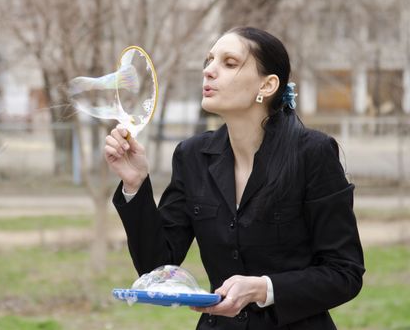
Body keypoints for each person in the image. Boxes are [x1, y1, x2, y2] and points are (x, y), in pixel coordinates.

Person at [104, 26, 365, 330]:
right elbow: (156, 266)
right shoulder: (192, 156)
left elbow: (344, 273)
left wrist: (263, 288)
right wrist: (135, 185)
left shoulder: (313, 153)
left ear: (267, 86)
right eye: (209, 60)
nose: (208, 71)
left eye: (228, 63)